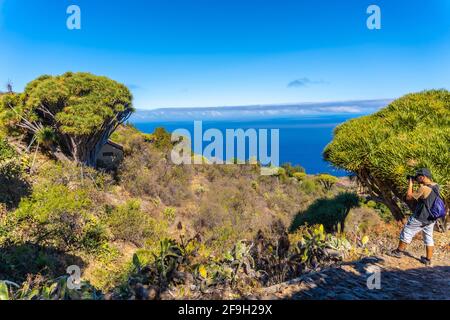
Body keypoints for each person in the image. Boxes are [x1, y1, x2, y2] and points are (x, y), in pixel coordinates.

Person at [389, 168, 440, 266]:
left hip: (420, 217)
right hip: (431, 218)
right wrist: (419, 183)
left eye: (418, 177)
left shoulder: (424, 188)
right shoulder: (435, 185)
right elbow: (426, 195)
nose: (416, 178)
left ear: (423, 177)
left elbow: (409, 197)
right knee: (428, 237)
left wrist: (411, 183)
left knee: (407, 231)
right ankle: (428, 259)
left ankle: (398, 252)